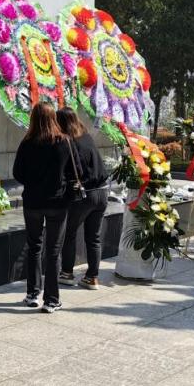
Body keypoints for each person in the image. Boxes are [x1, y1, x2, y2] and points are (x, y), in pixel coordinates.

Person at [13, 102, 71, 313]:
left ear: (33, 119)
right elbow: (75, 172)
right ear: (53, 118)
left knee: (34, 247)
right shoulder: (63, 142)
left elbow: (17, 173)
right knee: (54, 251)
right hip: (57, 202)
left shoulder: (27, 143)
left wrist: (33, 182)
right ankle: (52, 300)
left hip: (33, 202)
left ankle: (32, 294)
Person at [56, 108, 109, 289]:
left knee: (69, 233)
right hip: (102, 192)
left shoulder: (69, 142)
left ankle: (67, 273)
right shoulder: (86, 137)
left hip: (85, 194)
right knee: (94, 237)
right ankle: (92, 277)